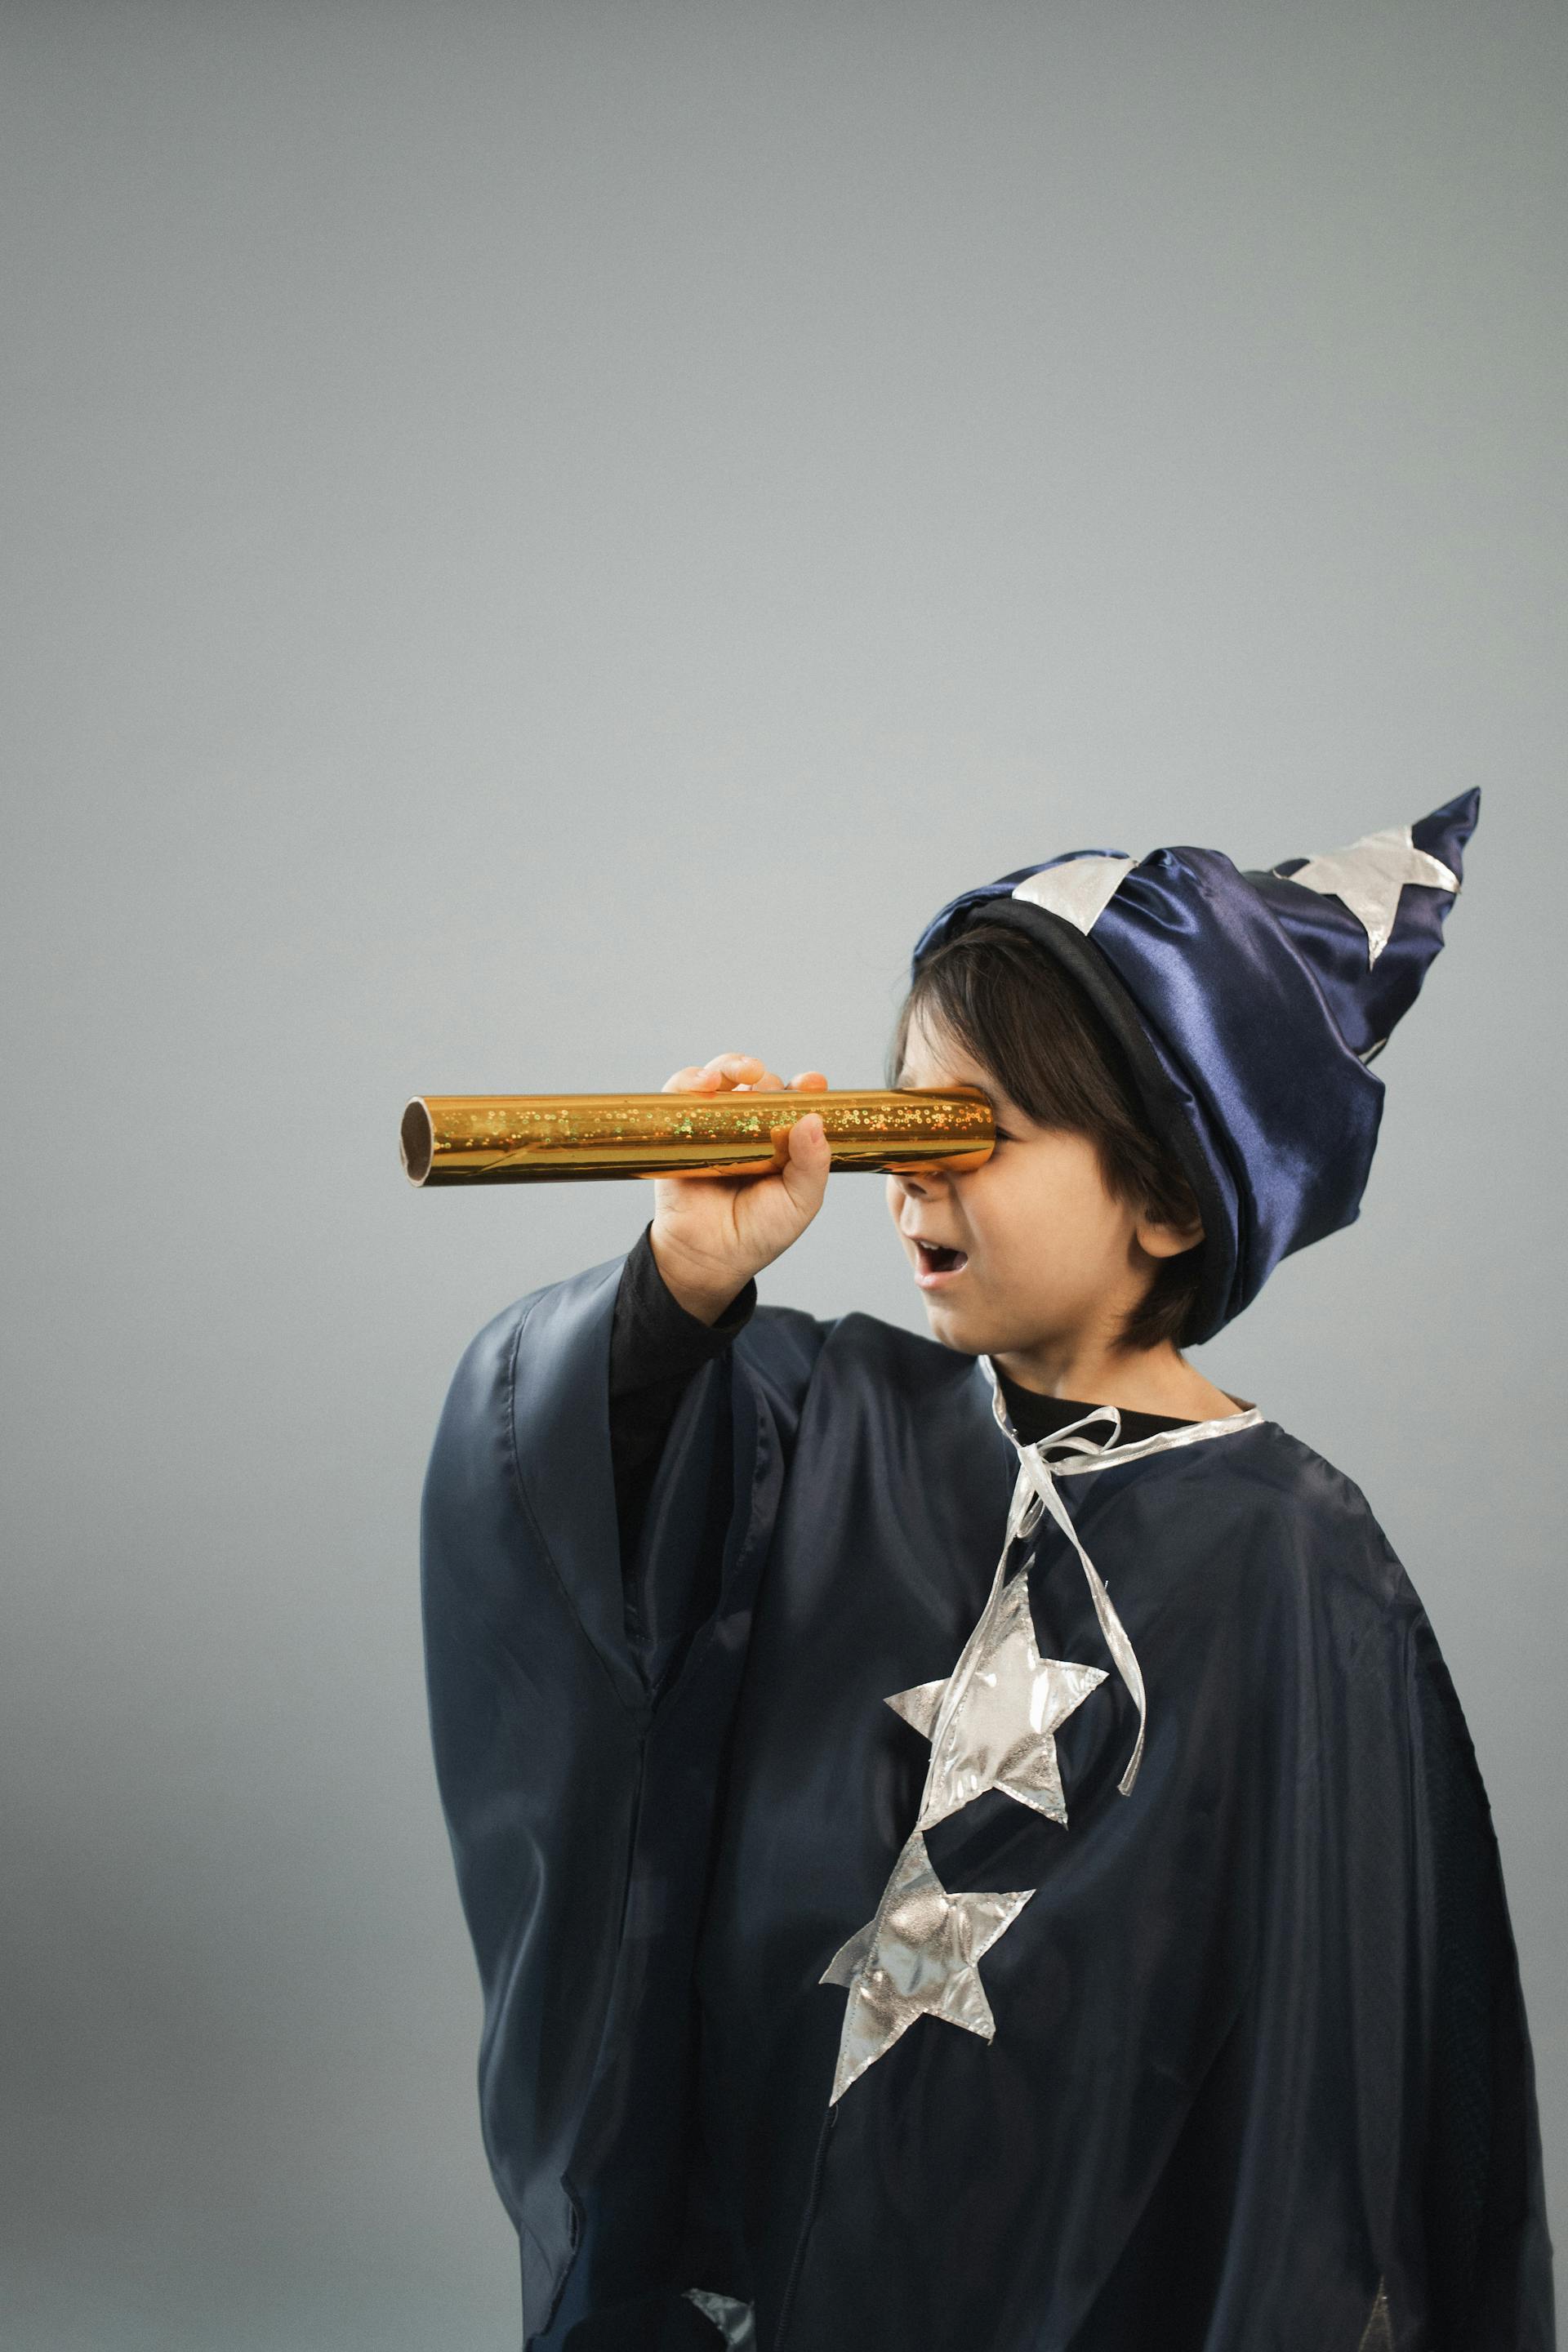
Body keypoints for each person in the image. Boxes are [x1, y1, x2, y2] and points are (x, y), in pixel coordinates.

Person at [420, 790, 1554, 2352]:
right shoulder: (818, 1420)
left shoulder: (1300, 1557)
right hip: (778, 2237)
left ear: (1168, 1195)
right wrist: (686, 1279)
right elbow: (582, 1531)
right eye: (899, 1118)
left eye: (975, 1134)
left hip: (1102, 2260)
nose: (912, 1179)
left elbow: (1333, 2053)